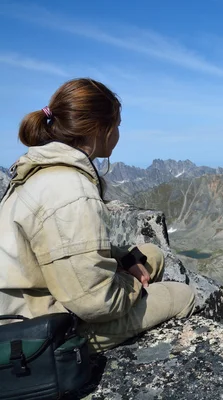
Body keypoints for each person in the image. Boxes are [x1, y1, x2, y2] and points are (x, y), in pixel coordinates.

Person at [0, 78, 196, 353]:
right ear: (99, 129)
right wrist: (132, 284)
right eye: (116, 126)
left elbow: (64, 248)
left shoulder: (42, 169)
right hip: (37, 330)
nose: (117, 134)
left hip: (32, 299)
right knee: (181, 296)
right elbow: (95, 301)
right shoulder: (70, 191)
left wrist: (127, 259)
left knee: (150, 254)